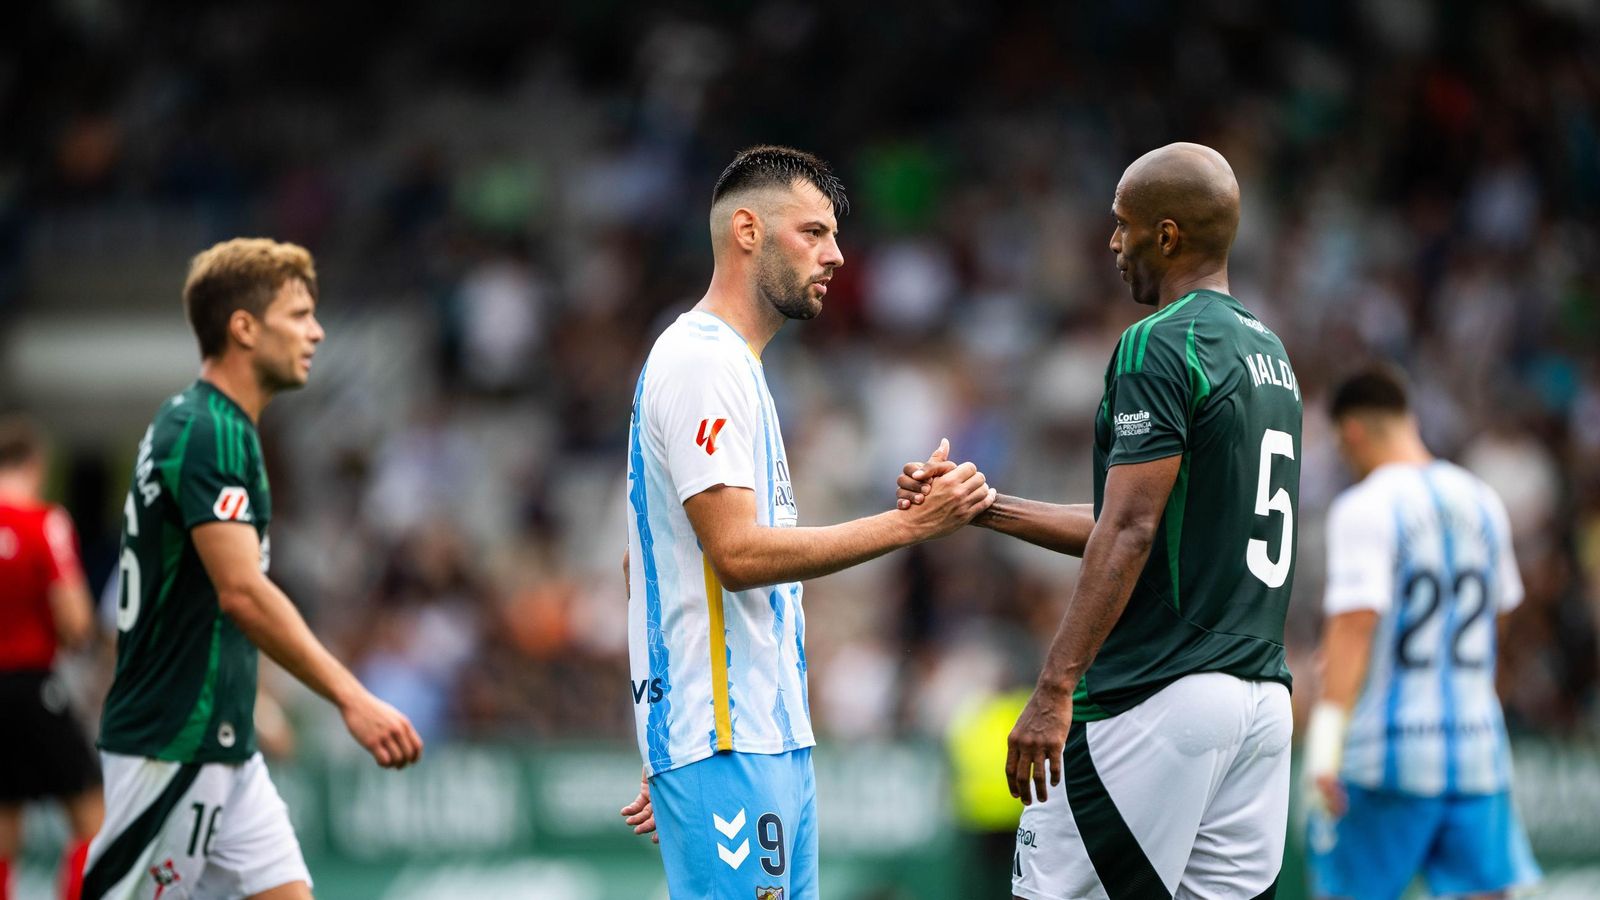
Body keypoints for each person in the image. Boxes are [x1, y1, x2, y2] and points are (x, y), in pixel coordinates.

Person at [900, 142, 1301, 898]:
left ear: (1168, 235)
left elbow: (1131, 531)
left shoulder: (1160, 342)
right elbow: (1145, 523)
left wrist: (1055, 689)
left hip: (1157, 691)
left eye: (1123, 225)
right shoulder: (1268, 354)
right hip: (1259, 704)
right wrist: (987, 508)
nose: (1113, 243)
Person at [616, 145, 995, 899]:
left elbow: (646, 558)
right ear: (748, 231)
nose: (837, 255)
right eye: (814, 233)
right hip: (728, 743)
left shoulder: (743, 368)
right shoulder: (702, 362)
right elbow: (738, 554)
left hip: (764, 738)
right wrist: (911, 527)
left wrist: (671, 719)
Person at [84, 238, 423, 900]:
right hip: (174, 743)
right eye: (298, 314)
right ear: (243, 326)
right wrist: (352, 697)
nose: (316, 331)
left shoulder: (205, 423)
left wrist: (256, 702)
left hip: (224, 742)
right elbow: (241, 592)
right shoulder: (210, 431)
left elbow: (208, 604)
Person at [1303, 365, 1541, 899]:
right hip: (1478, 750)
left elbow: (1354, 626)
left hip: (1385, 756)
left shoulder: (1364, 507)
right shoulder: (1483, 499)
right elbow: (1498, 621)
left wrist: (1323, 751)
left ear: (1353, 433)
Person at [0, 416, 102, 900]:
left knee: (3, 827)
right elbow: (75, 619)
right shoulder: (45, 522)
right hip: (35, 686)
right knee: (91, 818)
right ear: (35, 464)